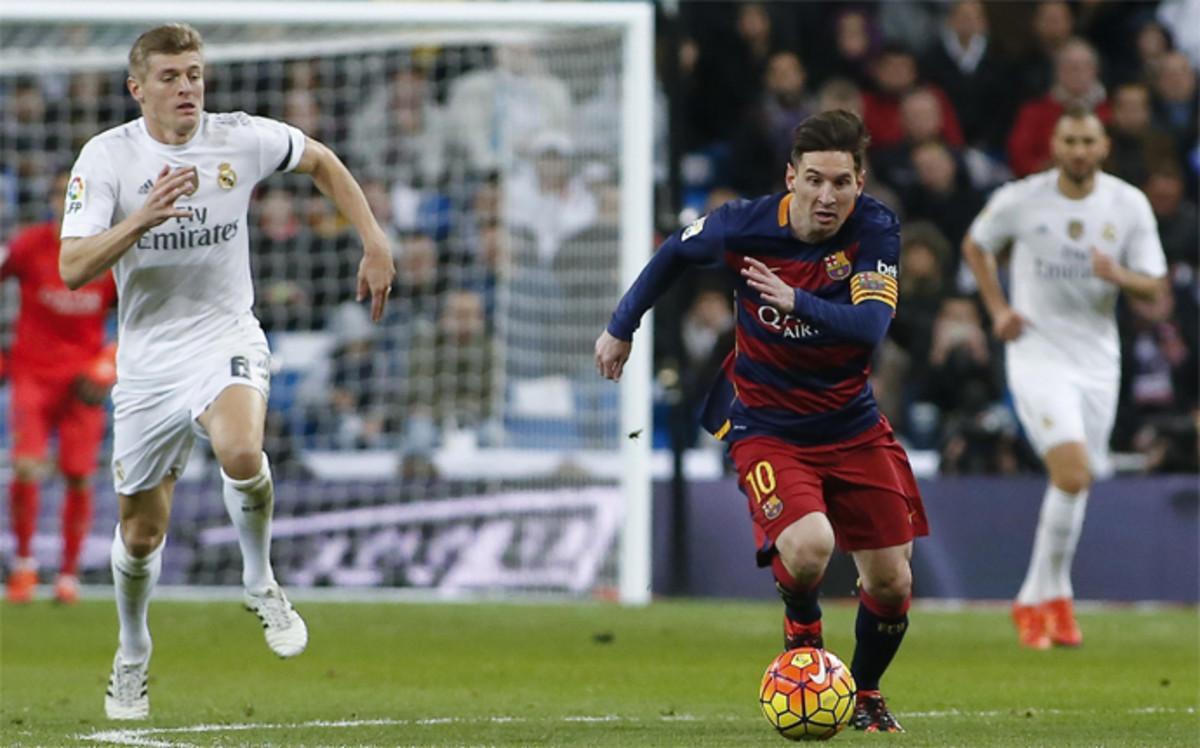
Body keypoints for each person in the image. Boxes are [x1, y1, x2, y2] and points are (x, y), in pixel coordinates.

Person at [57, 24, 395, 720]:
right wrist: (141, 219)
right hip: (148, 361)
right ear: (137, 88)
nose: (187, 88)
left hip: (224, 334)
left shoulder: (239, 136)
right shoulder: (108, 157)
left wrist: (374, 239)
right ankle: (132, 651)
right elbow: (72, 268)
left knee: (241, 449)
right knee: (141, 534)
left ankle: (261, 580)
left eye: (195, 74)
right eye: (171, 77)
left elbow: (322, 160)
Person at [595, 110, 928, 733]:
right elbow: (674, 252)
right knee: (810, 547)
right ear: (791, 178)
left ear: (860, 183)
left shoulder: (875, 229)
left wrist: (796, 300)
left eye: (841, 182)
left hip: (852, 425)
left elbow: (870, 327)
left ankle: (865, 694)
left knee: (891, 580)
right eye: (814, 180)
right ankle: (802, 627)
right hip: (768, 425)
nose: (827, 196)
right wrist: (621, 325)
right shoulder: (743, 225)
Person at [962, 108, 1167, 649]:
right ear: (1055, 146)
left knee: (1078, 480)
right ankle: (1040, 599)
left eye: (1087, 141)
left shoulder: (1128, 204)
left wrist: (1118, 274)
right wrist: (998, 309)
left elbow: (1154, 285)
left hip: (1098, 359)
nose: (1078, 150)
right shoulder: (1022, 198)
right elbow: (976, 244)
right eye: (1070, 140)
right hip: (1037, 352)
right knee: (1072, 471)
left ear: (1103, 147)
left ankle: (1048, 597)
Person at [2, 170, 117, 605]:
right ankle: (24, 566)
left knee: (78, 475)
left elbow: (141, 314)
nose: (66, 204)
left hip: (83, 382)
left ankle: (68, 575)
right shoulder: (28, 246)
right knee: (27, 467)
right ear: (51, 200)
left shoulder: (108, 253)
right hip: (32, 375)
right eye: (60, 195)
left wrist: (110, 362)